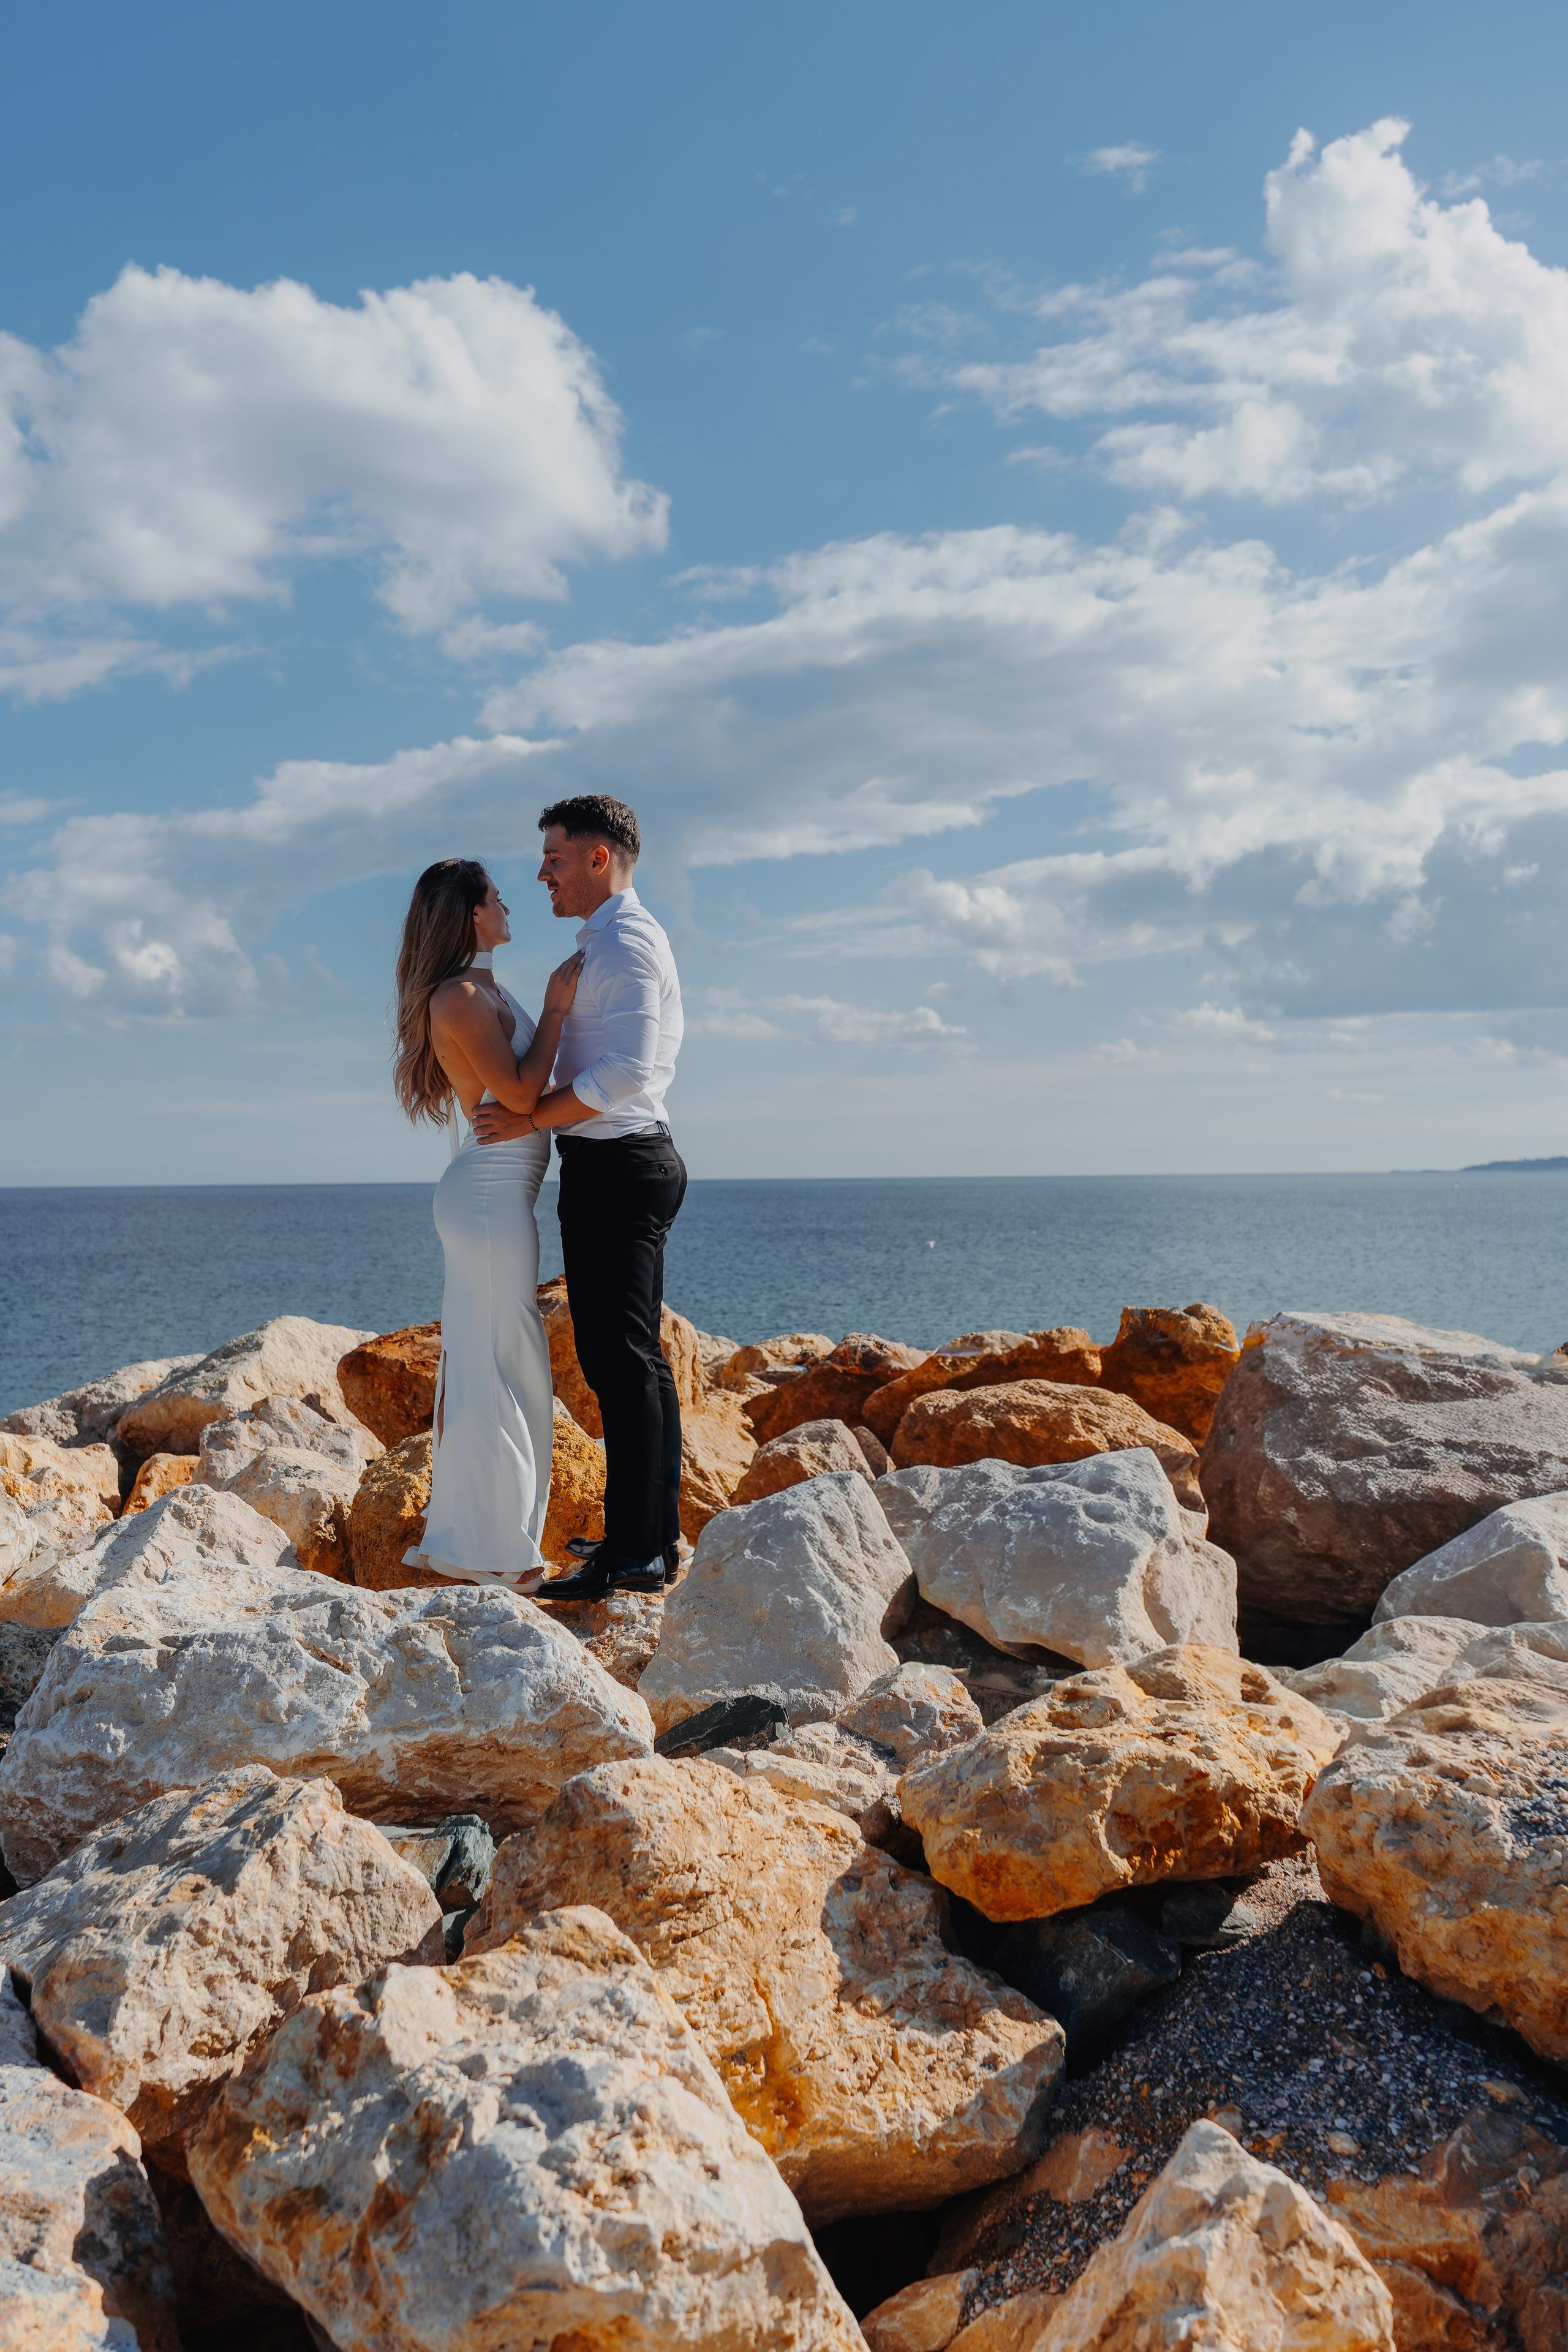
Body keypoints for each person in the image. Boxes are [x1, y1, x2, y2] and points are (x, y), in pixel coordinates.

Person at [473, 794, 685, 1597]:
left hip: (621, 1166)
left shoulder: (626, 941)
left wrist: (534, 1113)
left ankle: (636, 1553)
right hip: (619, 1163)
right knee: (633, 1360)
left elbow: (628, 1072)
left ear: (600, 859)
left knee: (619, 1360)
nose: (542, 875)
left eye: (555, 860)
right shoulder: (612, 940)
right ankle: (648, 1537)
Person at [391, 856, 583, 1589]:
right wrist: (558, 1008)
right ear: (472, 913)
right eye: (499, 899)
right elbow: (520, 1091)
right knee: (497, 1366)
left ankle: (484, 1543)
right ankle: (496, 1550)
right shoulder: (459, 996)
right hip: (488, 1197)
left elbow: (525, 1094)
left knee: (501, 1363)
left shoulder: (482, 989)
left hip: (500, 1195)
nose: (511, 908)